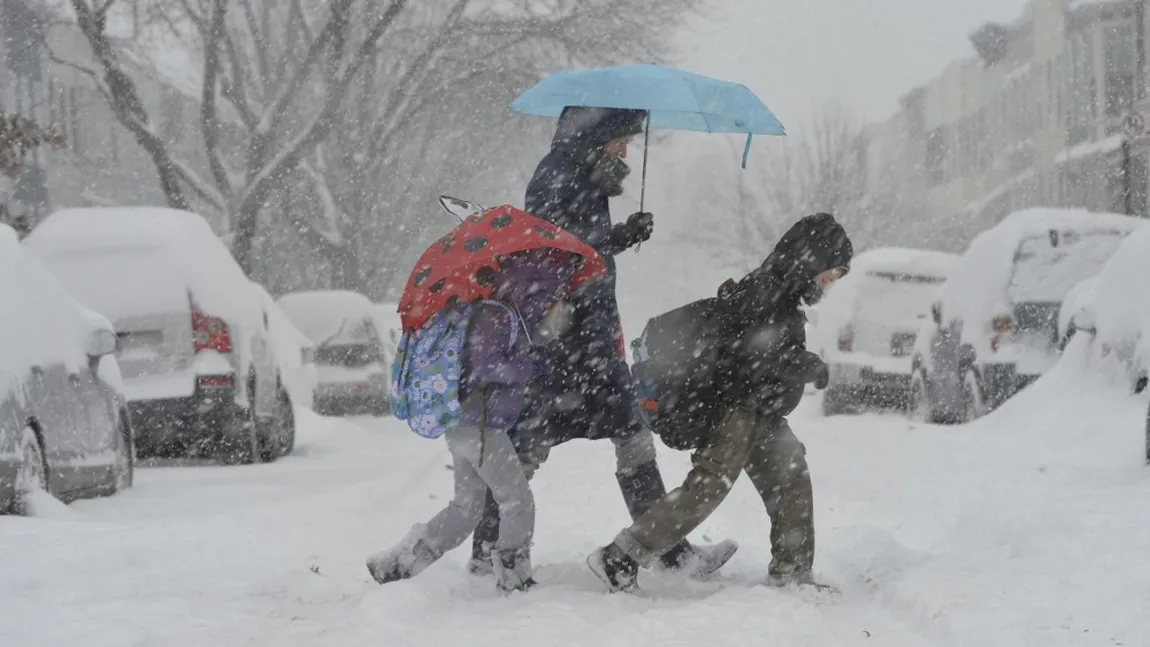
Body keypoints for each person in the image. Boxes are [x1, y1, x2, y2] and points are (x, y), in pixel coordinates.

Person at [468, 106, 736, 577]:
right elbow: (550, 251)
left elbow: (579, 248)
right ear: (598, 136)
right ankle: (489, 551)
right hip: (559, 344)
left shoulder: (583, 173)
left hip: (586, 340)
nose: (626, 150)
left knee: (630, 438)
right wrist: (613, 237)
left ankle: (669, 552)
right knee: (528, 448)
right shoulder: (558, 175)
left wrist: (614, 239)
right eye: (621, 140)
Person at [586, 212, 854, 592]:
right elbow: (751, 354)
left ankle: (792, 573)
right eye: (832, 270)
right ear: (813, 258)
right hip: (737, 410)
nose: (832, 280)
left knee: (791, 479)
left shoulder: (784, 293)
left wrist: (794, 366)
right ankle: (620, 555)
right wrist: (804, 364)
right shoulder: (764, 289)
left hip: (765, 411)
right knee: (706, 488)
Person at [366, 249, 578, 593]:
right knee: (516, 501)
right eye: (548, 291)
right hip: (481, 427)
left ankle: (399, 563)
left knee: (466, 509)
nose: (552, 299)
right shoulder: (495, 315)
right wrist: (529, 368)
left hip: (468, 425)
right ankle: (514, 574)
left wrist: (536, 344)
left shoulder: (502, 313)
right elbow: (485, 366)